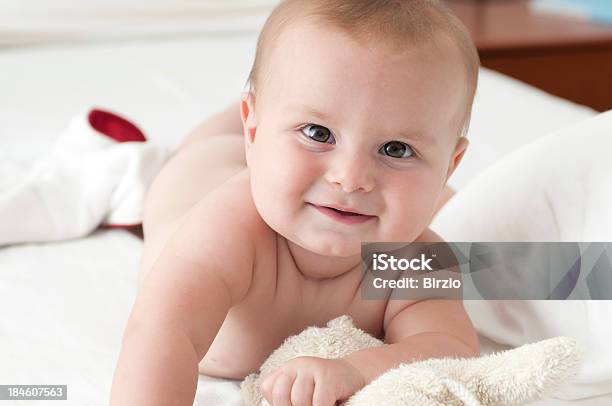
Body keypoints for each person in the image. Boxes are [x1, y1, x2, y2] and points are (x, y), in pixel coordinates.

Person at [110, 0, 481, 404]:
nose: (351, 178)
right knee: (209, 146)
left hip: (274, 159)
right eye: (318, 133)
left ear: (450, 166)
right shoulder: (227, 229)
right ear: (253, 129)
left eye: (396, 149)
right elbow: (163, 329)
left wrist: (356, 369)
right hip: (201, 176)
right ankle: (231, 126)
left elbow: (449, 349)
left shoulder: (419, 259)